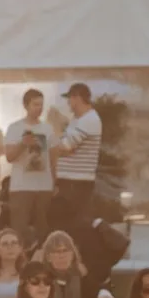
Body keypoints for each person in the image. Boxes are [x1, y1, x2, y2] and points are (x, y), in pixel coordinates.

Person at [4, 89, 57, 245]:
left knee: (43, 230)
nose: (39, 108)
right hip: (21, 187)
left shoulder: (47, 129)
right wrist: (23, 144)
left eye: (41, 104)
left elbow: (53, 158)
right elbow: (9, 157)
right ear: (26, 105)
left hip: (44, 187)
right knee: (19, 231)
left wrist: (55, 182)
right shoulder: (14, 128)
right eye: (35, 104)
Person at [51, 83, 102, 229]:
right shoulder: (77, 120)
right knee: (64, 222)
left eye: (70, 99)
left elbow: (65, 147)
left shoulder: (89, 120)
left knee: (73, 224)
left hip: (76, 183)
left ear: (77, 98)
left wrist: (54, 133)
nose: (68, 103)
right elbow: (65, 146)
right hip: (70, 181)